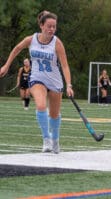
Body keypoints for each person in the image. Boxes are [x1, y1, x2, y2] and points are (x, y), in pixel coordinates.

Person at [0, 10, 74, 154]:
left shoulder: (57, 43)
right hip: (37, 78)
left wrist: (69, 84)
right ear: (41, 25)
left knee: (54, 114)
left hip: (54, 80)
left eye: (54, 26)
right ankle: (46, 139)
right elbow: (17, 49)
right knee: (41, 105)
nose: (52, 29)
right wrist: (6, 65)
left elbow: (65, 65)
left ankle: (55, 140)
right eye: (49, 26)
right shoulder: (31, 39)